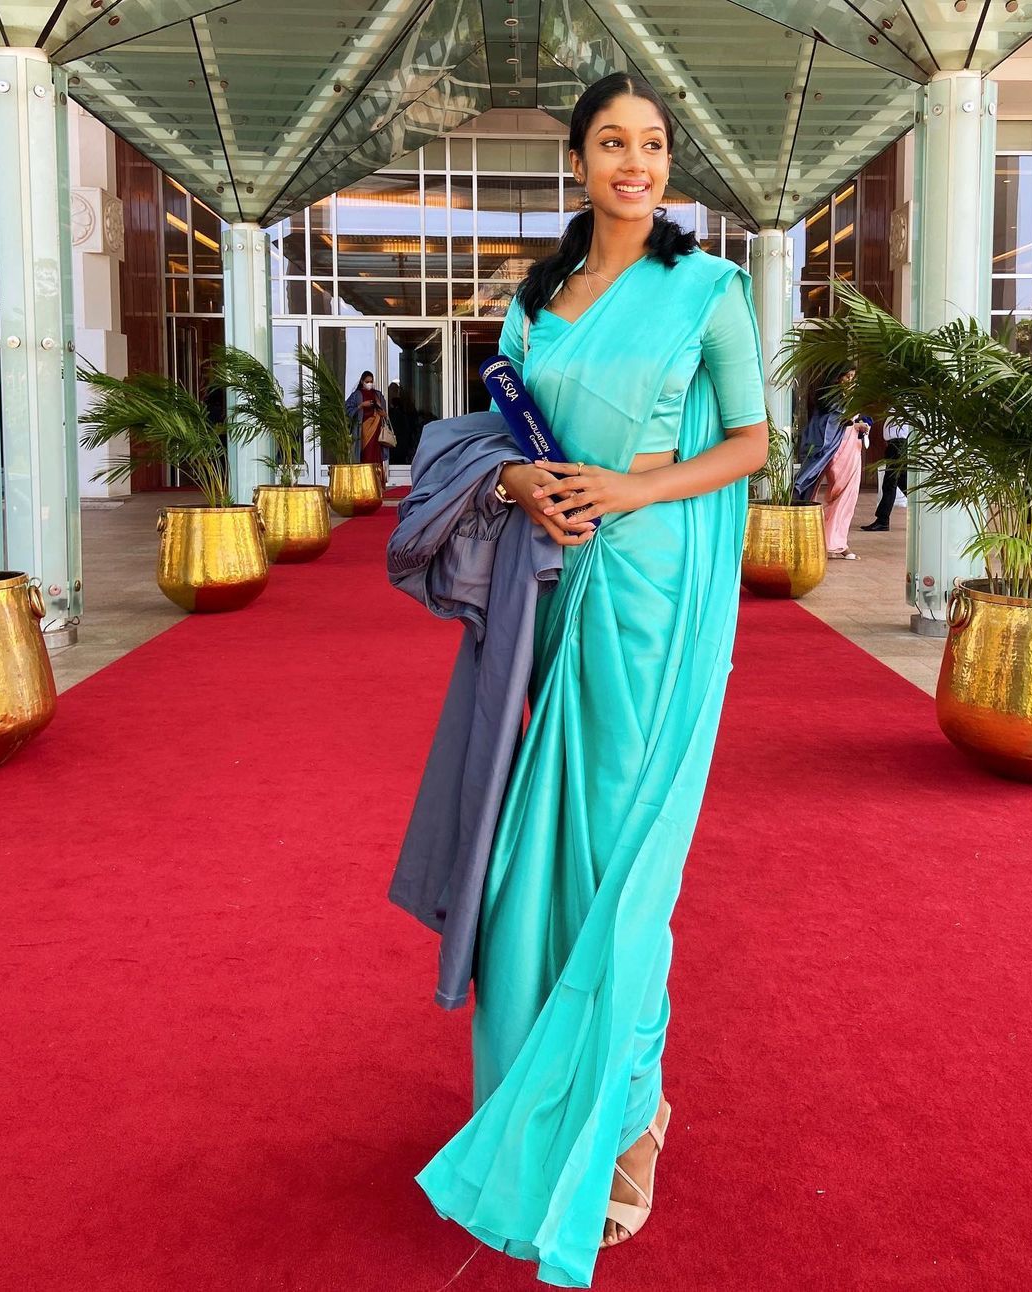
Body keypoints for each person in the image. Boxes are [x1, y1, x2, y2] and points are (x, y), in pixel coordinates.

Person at [411, 73, 768, 1287]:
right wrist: (519, 483)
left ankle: (631, 1111)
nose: (636, 162)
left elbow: (752, 441)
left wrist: (631, 487)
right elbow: (504, 439)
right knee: (551, 859)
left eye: (654, 144)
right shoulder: (537, 300)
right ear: (577, 161)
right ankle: (582, 1087)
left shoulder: (707, 288)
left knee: (626, 864)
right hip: (556, 595)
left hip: (654, 593)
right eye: (613, 142)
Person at [793, 369, 871, 558]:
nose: (851, 380)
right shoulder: (830, 398)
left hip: (852, 447)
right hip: (835, 447)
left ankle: (835, 541)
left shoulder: (850, 397)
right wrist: (854, 424)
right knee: (839, 493)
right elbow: (829, 423)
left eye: (854, 377)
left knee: (848, 495)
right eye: (847, 376)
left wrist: (861, 424)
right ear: (837, 377)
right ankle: (830, 541)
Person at [861, 412, 910, 533]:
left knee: (889, 483)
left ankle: (882, 520)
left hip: (899, 445)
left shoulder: (904, 406)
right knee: (902, 481)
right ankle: (922, 508)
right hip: (894, 445)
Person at [345, 370, 389, 483]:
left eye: (371, 381)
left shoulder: (378, 395)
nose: (369, 383)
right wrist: (361, 406)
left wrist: (381, 412)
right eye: (367, 381)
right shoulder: (356, 395)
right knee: (365, 456)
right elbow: (347, 409)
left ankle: (377, 483)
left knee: (376, 456)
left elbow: (384, 412)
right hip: (363, 431)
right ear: (362, 381)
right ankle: (365, 483)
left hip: (376, 431)